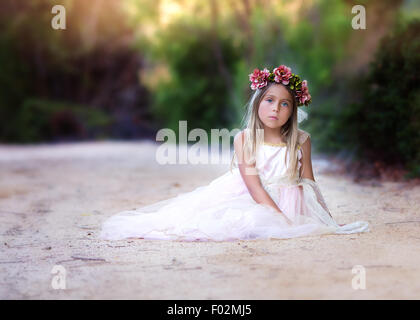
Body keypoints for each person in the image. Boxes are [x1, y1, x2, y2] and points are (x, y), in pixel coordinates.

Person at [99, 65, 369, 241]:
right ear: (257, 104)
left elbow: (310, 184)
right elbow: (254, 187)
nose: (276, 109)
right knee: (235, 224)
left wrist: (330, 220)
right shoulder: (245, 139)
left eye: (285, 104)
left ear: (293, 112)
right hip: (256, 199)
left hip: (291, 200)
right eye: (270, 100)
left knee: (293, 230)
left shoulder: (301, 140)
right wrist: (281, 219)